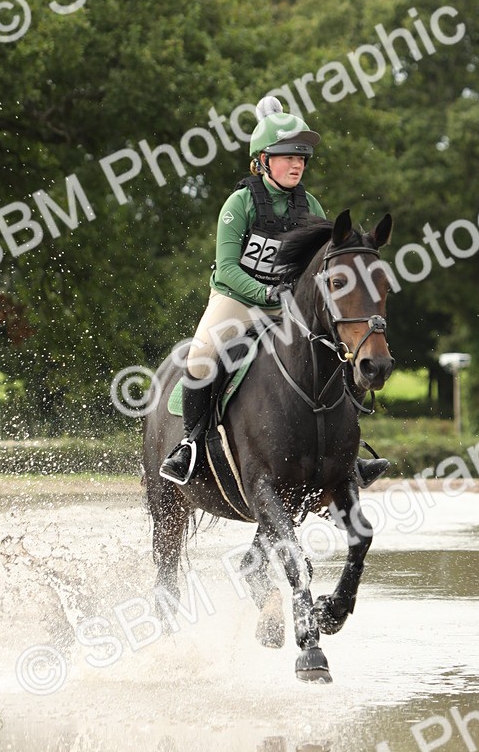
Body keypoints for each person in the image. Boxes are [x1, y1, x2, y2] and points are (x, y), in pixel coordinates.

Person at [159, 96, 389, 488]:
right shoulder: (240, 204)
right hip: (235, 299)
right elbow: (228, 269)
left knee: (337, 351)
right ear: (262, 160)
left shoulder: (310, 204)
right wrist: (266, 294)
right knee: (200, 358)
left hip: (286, 305)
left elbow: (323, 266)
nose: (297, 164)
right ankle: (189, 446)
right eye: (287, 157)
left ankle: (348, 456)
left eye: (301, 158)